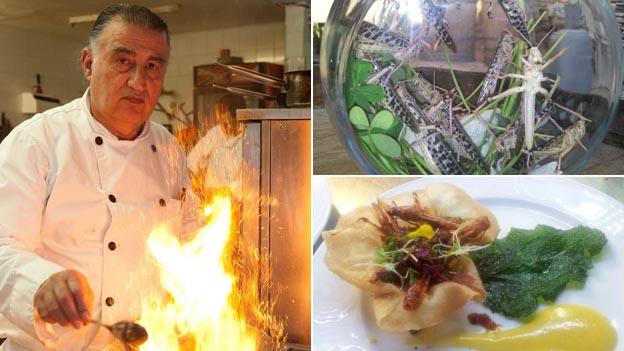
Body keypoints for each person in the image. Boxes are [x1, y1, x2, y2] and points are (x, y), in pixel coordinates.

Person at [0, 4, 199, 350]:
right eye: (123, 62)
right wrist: (39, 283)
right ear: (89, 64)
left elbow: (191, 238)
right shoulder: (38, 141)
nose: (139, 82)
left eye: (153, 67)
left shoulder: (168, 149)